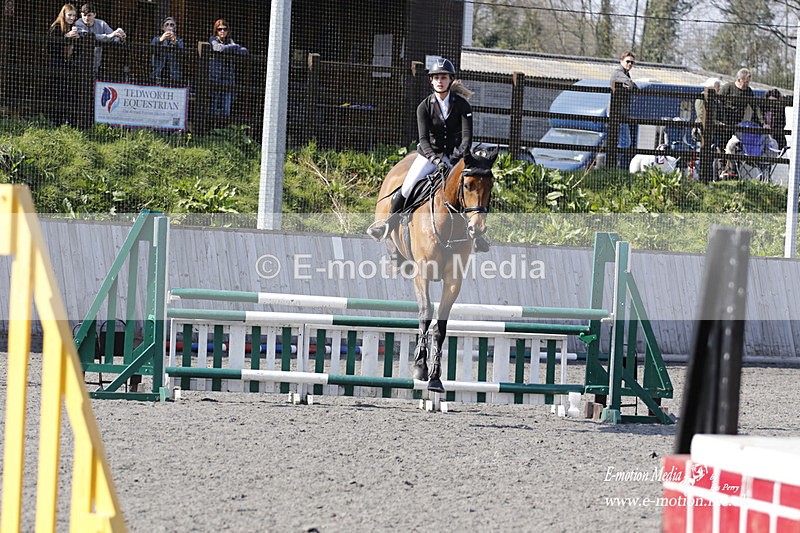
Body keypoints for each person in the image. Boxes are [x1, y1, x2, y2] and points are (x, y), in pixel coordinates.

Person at [368, 57, 487, 251]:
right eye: (436, 77)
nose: (440, 81)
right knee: (406, 188)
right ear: (431, 80)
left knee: (475, 186)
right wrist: (435, 159)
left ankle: (479, 235)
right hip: (428, 156)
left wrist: (456, 158)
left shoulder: (463, 106)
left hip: (455, 157)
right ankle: (388, 224)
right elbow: (423, 139)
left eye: (444, 77)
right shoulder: (423, 107)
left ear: (450, 80)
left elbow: (467, 137)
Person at [46, 4, 81, 125]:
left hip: (68, 65)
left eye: (74, 16)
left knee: (69, 92)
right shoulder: (56, 27)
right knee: (57, 92)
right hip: (56, 65)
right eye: (69, 15)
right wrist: (66, 37)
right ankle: (55, 120)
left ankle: (67, 120)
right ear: (64, 15)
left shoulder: (73, 28)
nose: (72, 18)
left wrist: (76, 40)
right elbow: (50, 47)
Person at [208, 19, 248, 123]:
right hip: (215, 78)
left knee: (226, 108)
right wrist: (233, 47)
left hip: (228, 80)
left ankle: (223, 131)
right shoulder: (213, 39)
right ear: (216, 30)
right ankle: (211, 129)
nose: (222, 31)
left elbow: (244, 51)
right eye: (219, 29)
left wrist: (231, 47)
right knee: (214, 105)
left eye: (224, 29)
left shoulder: (230, 41)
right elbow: (217, 49)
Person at [74, 3, 126, 78]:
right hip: (79, 64)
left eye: (89, 15)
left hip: (97, 64)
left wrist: (121, 37)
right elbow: (89, 37)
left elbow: (113, 37)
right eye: (84, 15)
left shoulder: (101, 23)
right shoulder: (78, 23)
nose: (86, 18)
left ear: (94, 14)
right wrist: (110, 35)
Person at [609, 51, 638, 167]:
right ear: (621, 61)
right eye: (628, 61)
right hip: (616, 112)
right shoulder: (618, 72)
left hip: (622, 113)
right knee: (624, 141)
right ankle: (615, 166)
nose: (630, 64)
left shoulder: (626, 73)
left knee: (621, 141)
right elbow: (629, 84)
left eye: (632, 62)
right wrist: (633, 87)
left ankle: (614, 166)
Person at [150, 17, 184, 84]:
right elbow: (150, 50)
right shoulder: (156, 39)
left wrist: (174, 41)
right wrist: (161, 39)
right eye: (167, 25)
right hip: (157, 73)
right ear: (163, 28)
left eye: (172, 25)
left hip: (173, 76)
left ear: (175, 28)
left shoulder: (179, 41)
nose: (169, 26)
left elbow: (182, 53)